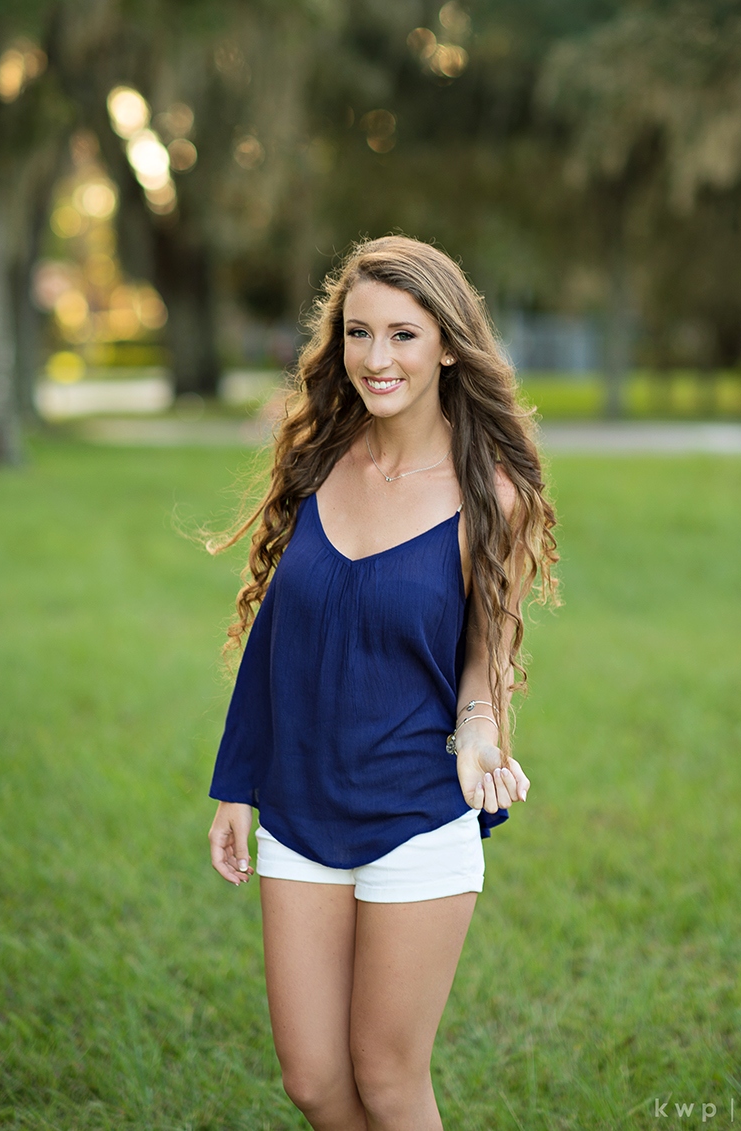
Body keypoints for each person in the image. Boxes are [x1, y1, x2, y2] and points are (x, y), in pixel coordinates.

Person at [207, 235, 557, 1131]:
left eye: (403, 334)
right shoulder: (318, 456)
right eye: (358, 332)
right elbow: (277, 634)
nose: (376, 357)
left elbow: (486, 651)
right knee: (315, 1081)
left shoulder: (494, 493)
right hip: (298, 808)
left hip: (416, 813)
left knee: (389, 1079)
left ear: (448, 345)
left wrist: (480, 732)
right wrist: (237, 784)